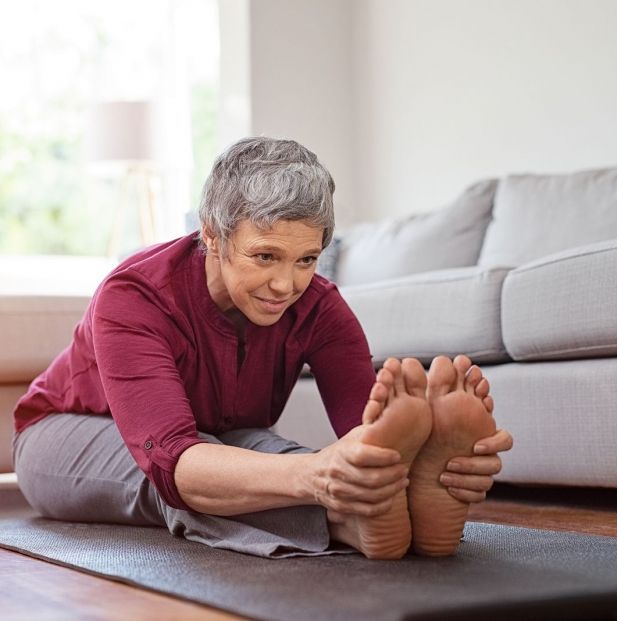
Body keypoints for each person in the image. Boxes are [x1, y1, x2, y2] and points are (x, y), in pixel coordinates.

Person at [12, 137, 513, 560]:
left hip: (219, 436)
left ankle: (370, 511)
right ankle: (343, 523)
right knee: (198, 479)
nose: (285, 284)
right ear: (212, 235)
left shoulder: (320, 306)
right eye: (265, 256)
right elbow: (173, 460)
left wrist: (427, 464)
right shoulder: (134, 296)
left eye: (306, 259)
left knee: (275, 456)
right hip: (70, 433)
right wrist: (318, 475)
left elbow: (368, 436)